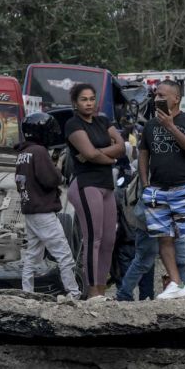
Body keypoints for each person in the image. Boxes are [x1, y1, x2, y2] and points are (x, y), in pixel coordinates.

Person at [139, 80, 185, 299]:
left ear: (176, 98)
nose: (157, 99)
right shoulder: (150, 125)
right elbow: (143, 154)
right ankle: (176, 283)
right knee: (164, 236)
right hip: (157, 189)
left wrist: (170, 125)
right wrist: (145, 184)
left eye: (162, 95)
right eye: (156, 95)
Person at [66, 82, 126, 300]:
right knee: (94, 239)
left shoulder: (103, 121)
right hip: (86, 184)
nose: (89, 103)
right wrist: (109, 158)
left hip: (106, 184)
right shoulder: (73, 124)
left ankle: (101, 290)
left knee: (109, 240)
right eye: (84, 99)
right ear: (75, 102)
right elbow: (89, 154)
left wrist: (99, 154)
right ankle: (92, 292)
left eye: (92, 99)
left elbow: (122, 146)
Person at [16, 113, 81, 299]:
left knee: (32, 254)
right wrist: (58, 173)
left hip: (30, 210)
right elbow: (50, 179)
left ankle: (27, 291)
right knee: (64, 254)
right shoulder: (39, 151)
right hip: (43, 211)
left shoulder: (23, 153)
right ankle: (73, 293)